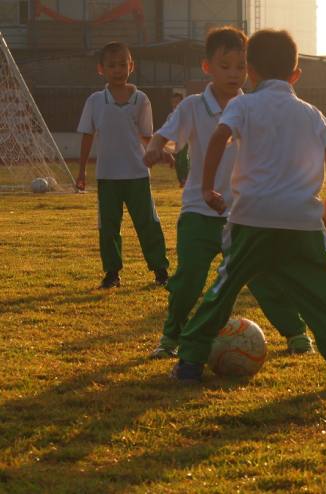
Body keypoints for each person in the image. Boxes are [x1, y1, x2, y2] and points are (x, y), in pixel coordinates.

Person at [170, 29, 326, 391]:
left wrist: (206, 187)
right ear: (295, 75)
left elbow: (218, 137)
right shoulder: (313, 113)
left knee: (222, 291)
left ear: (250, 71)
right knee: (323, 303)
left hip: (252, 221)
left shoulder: (242, 104)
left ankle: (189, 362)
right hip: (304, 225)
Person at [143, 27, 313, 359]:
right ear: (207, 67)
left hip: (245, 214)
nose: (234, 74)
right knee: (188, 280)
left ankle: (296, 334)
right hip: (198, 211)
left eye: (240, 66)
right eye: (225, 66)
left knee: (264, 279)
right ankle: (170, 338)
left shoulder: (253, 105)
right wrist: (153, 151)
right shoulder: (193, 106)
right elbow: (163, 136)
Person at [77, 41, 169, 289]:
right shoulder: (95, 101)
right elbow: (87, 134)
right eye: (111, 65)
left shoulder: (141, 99)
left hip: (137, 173)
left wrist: (161, 152)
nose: (118, 70)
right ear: (101, 69)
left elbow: (146, 135)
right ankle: (112, 274)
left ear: (132, 66)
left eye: (122, 64)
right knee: (108, 226)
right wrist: (83, 169)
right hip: (107, 175)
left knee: (147, 223)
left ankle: (161, 271)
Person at [165, 92, 190, 188]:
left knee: (183, 159)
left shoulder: (187, 114)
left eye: (177, 102)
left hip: (186, 142)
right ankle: (181, 181)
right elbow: (167, 128)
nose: (175, 104)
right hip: (175, 143)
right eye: (173, 102)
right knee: (176, 162)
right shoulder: (171, 116)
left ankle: (186, 179)